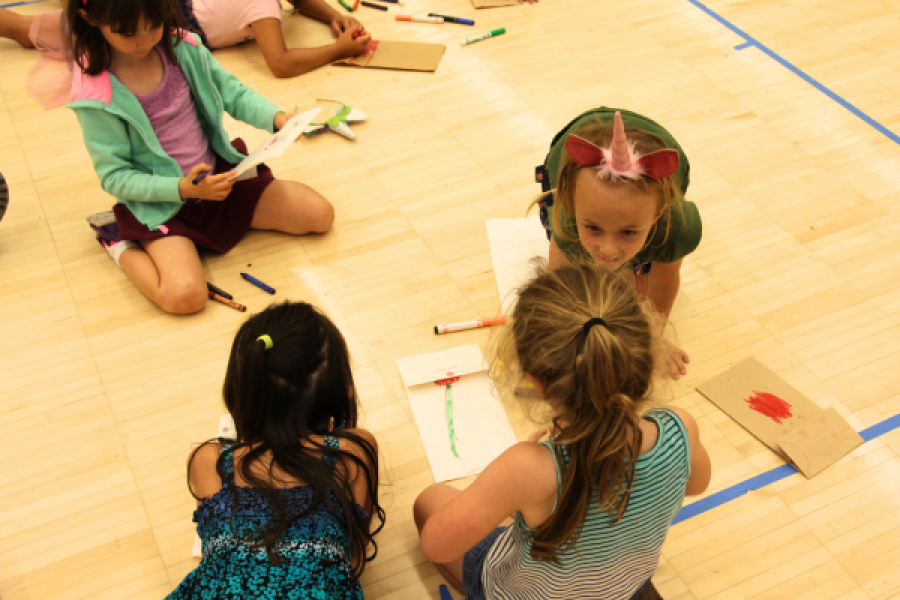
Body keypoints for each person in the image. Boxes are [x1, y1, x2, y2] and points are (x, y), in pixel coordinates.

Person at [414, 263, 711, 600]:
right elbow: (697, 484)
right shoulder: (679, 426)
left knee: (428, 501)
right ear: (643, 356)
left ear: (536, 380)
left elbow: (437, 545)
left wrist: (506, 491)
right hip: (624, 588)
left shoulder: (527, 469)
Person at [65, 0, 335, 314]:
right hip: (162, 205)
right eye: (127, 33)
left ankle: (208, 226)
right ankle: (116, 241)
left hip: (218, 181)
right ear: (89, 18)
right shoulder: (95, 92)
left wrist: (275, 118)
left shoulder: (183, 46)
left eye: (154, 25)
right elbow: (114, 176)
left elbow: (232, 92)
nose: (144, 41)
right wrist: (183, 189)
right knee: (185, 297)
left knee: (319, 215)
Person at [169, 300, 385, 599]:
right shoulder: (352, 453)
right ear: (341, 392)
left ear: (240, 392)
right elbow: (353, 542)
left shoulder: (210, 461)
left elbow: (210, 541)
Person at [534, 108, 702, 379]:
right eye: (593, 228)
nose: (608, 250)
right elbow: (561, 282)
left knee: (637, 285)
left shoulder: (677, 226)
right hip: (572, 144)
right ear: (572, 206)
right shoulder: (566, 217)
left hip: (668, 158)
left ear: (657, 214)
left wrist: (654, 339)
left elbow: (663, 281)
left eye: (628, 232)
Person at [0, 0, 370, 78]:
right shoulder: (261, 8)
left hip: (169, 9)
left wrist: (336, 15)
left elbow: (302, 0)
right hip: (161, 16)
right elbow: (282, 64)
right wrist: (339, 49)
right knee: (22, 30)